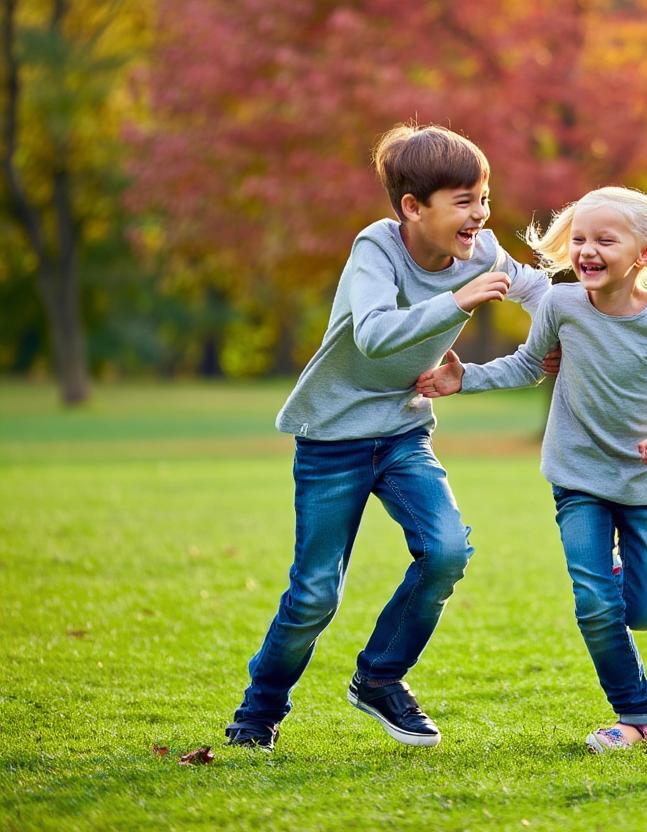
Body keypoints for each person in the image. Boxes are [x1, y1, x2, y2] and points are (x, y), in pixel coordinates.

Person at [225, 123, 555, 751]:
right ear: (413, 207)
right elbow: (373, 333)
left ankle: (379, 678)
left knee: (448, 550)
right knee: (316, 593)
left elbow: (539, 292)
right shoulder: (375, 250)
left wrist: (561, 342)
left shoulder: (481, 252)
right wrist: (459, 302)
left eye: (484, 198)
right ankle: (257, 715)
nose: (481, 216)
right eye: (464, 201)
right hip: (333, 440)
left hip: (403, 433)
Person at [416, 186, 647, 752]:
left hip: (646, 488)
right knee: (594, 605)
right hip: (577, 480)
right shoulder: (561, 306)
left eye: (604, 240)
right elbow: (529, 364)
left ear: (646, 255)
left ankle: (612, 588)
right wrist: (468, 379)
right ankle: (634, 715)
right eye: (579, 238)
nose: (586, 249)